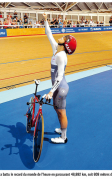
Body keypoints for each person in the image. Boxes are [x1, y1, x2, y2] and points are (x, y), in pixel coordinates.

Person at [42, 13, 77, 144]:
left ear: (66, 44)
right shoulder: (56, 49)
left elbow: (60, 76)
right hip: (57, 87)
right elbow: (48, 34)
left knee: (61, 112)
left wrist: (51, 91)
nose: (63, 36)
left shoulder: (61, 56)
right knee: (57, 109)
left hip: (61, 88)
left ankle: (63, 137)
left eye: (65, 37)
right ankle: (62, 130)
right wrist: (46, 21)